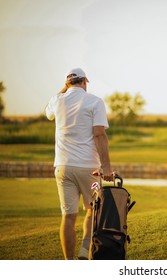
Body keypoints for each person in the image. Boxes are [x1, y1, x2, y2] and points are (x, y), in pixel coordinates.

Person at [45, 68, 114, 260]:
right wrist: (107, 167)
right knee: (93, 210)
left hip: (63, 168)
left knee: (68, 216)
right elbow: (99, 134)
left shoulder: (57, 101)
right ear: (85, 82)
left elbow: (48, 112)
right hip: (89, 170)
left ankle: (69, 263)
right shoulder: (95, 101)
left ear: (68, 84)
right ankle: (84, 252)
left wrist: (65, 89)